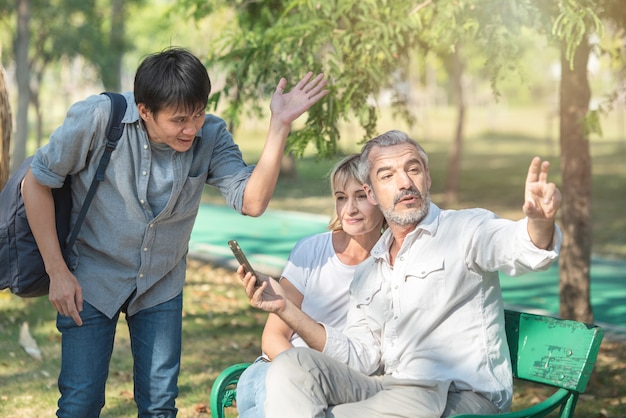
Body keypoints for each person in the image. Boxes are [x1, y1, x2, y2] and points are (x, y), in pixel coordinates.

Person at [20, 47, 327, 417]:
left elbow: (253, 201)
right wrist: (58, 273)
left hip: (160, 284)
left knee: (160, 406)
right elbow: (35, 184)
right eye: (180, 119)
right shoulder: (99, 118)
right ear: (145, 110)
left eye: (198, 113)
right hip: (90, 278)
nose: (192, 128)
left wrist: (279, 125)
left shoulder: (210, 135)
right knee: (80, 402)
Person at [239, 130, 562, 417]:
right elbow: (360, 356)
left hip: (461, 396)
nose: (405, 182)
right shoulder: (370, 270)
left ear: (427, 178)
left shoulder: (465, 230)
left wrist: (540, 223)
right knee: (290, 367)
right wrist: (286, 309)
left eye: (413, 169)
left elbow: (518, 248)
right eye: (388, 175)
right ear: (372, 192)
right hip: (394, 390)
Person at [235, 154, 385, 417]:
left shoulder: (394, 263)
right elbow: (273, 337)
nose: (349, 209)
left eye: (360, 196)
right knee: (276, 396)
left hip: (344, 383)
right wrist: (303, 377)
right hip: (277, 365)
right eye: (341, 197)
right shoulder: (312, 250)